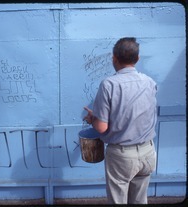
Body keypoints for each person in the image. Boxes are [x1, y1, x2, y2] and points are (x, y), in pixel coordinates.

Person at [83, 37, 157, 204]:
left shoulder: (109, 84)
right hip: (148, 152)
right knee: (139, 201)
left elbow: (101, 128)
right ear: (137, 59)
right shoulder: (150, 82)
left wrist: (92, 119)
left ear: (113, 58)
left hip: (122, 156)